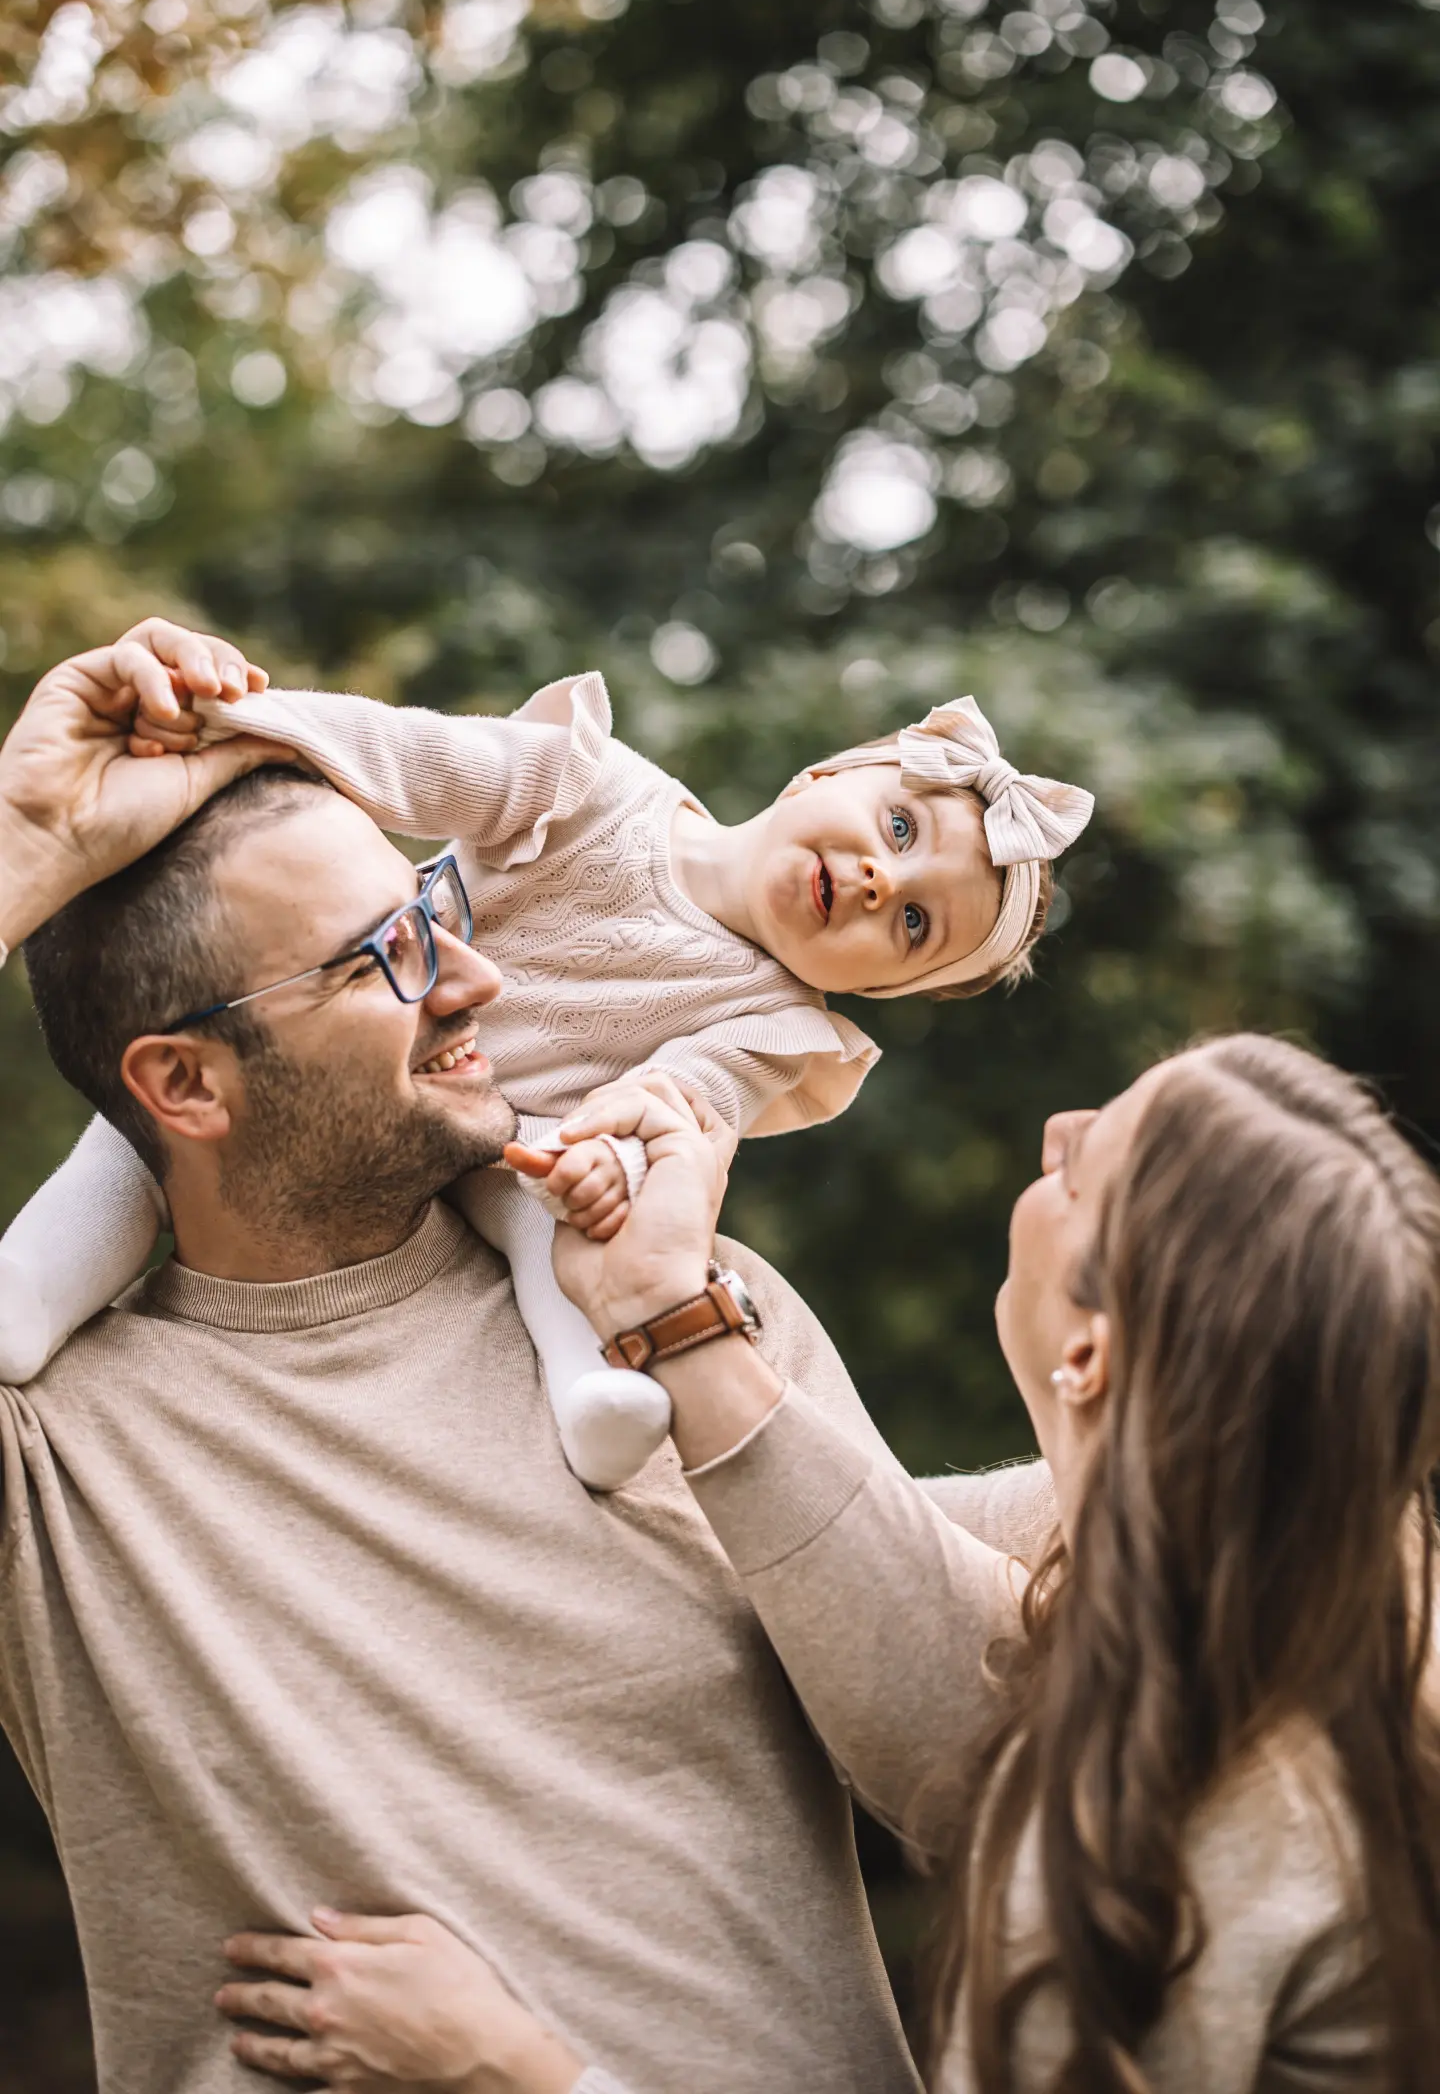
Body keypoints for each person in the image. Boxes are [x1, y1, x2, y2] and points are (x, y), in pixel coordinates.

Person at [0, 623, 1047, 2094]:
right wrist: (25, 842)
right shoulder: (50, 1451)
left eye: (437, 906)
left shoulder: (687, 1315)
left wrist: (687, 1336)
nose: (476, 974)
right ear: (181, 1083)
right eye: (389, 955)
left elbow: (998, 1777)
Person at [231, 1053, 1440, 2091]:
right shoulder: (1320, 1559)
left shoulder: (1169, 1849)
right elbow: (870, 1574)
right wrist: (662, 1303)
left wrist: (508, 2067)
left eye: (1083, 1169)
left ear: (1089, 1352)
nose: (1053, 1131)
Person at [0, 630, 1093, 1488]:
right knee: (152, 1126)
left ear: (878, 994)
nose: (876, 887)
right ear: (822, 774)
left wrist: (611, 1160)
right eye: (900, 834)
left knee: (568, 1234)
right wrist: (244, 724)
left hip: (517, 1142)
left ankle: (589, 1394)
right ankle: (28, 1290)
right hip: (364, 1047)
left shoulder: (770, 1021)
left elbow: (681, 1106)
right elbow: (409, 755)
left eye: (912, 930)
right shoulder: (593, 787)